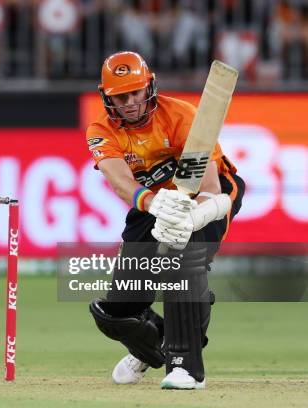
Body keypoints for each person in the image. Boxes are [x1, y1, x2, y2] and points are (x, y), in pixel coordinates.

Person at [85, 51, 244, 390]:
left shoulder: (181, 116)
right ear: (107, 96)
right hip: (154, 203)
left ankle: (186, 367)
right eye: (119, 96)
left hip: (207, 199)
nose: (128, 102)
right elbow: (121, 183)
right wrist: (156, 204)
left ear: (149, 88)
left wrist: (190, 216)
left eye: (134, 92)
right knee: (118, 309)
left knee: (182, 259)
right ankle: (154, 342)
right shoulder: (100, 129)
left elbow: (211, 187)